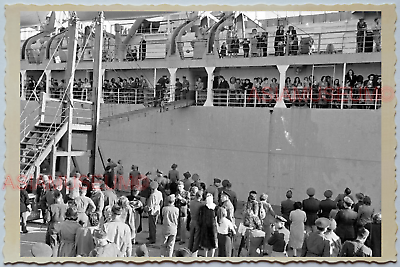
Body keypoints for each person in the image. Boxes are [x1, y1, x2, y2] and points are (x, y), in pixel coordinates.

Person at [45, 190, 67, 255]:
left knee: (53, 244)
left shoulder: (51, 207)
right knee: (62, 243)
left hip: (54, 226)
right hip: (63, 226)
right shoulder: (66, 206)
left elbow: (48, 219)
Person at [198, 193, 218, 257]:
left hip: (208, 228)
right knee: (210, 244)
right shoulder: (215, 208)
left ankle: (208, 257)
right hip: (210, 228)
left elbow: (200, 219)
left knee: (209, 244)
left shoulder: (204, 208)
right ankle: (208, 257)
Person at [188, 190, 204, 257]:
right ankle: (194, 251)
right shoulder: (201, 204)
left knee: (191, 236)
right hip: (197, 222)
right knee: (196, 237)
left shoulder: (191, 202)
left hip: (192, 220)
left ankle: (189, 249)